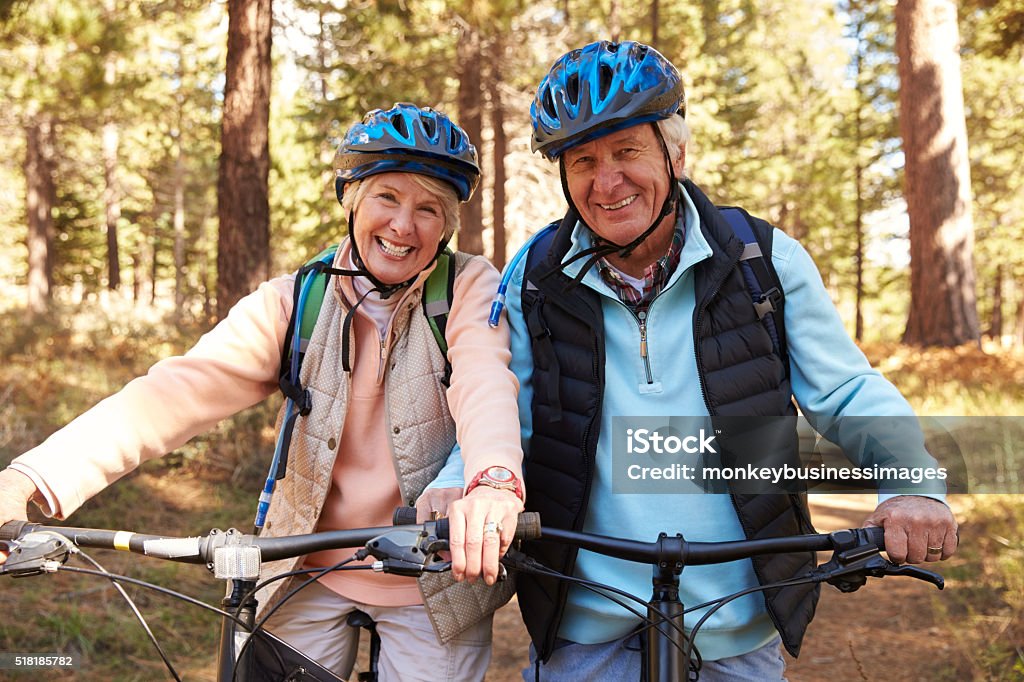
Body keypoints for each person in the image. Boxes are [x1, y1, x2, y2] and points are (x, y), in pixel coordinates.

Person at [449, 41, 959, 681]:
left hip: (735, 611)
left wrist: (911, 484)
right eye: (583, 161)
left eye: (628, 152)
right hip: (584, 613)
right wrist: (460, 487)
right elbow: (497, 405)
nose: (606, 183)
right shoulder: (535, 275)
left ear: (677, 153)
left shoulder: (761, 261)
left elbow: (848, 392)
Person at [0, 103, 525, 681]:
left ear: (447, 227)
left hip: (434, 580)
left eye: (428, 209)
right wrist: (28, 479)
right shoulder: (295, 299)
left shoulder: (470, 286)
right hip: (304, 569)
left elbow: (486, 384)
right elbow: (174, 392)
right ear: (351, 200)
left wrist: (492, 480)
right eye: (387, 198)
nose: (405, 225)